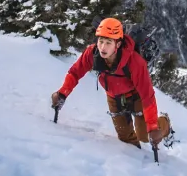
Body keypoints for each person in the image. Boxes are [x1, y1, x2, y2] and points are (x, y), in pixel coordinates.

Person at [51, 17, 171, 148]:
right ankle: (137, 162)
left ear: (118, 44)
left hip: (136, 96)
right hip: (114, 97)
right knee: (126, 139)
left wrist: (153, 127)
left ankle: (165, 124)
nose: (103, 47)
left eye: (108, 42)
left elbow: (147, 95)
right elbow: (75, 73)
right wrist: (62, 93)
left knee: (145, 135)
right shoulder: (92, 53)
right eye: (101, 41)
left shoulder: (135, 62)